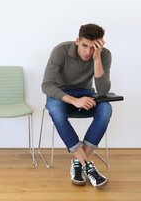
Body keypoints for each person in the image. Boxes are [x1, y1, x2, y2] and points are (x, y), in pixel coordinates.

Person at [41, 23, 112, 189]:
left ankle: (79, 162)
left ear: (100, 45)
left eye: (93, 47)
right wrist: (73, 100)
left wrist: (97, 59)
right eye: (84, 46)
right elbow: (46, 85)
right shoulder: (60, 51)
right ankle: (88, 166)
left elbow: (103, 90)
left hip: (86, 92)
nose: (88, 52)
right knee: (56, 111)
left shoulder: (104, 55)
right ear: (77, 41)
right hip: (61, 93)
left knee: (106, 109)